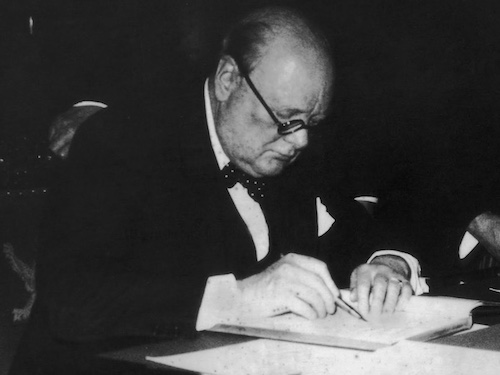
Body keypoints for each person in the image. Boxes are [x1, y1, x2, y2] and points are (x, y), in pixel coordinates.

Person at [10, 6, 425, 374]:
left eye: (312, 123)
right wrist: (237, 297)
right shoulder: (124, 142)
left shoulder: (293, 142)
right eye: (286, 119)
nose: (300, 141)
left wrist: (388, 263)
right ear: (228, 79)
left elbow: (363, 227)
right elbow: (72, 301)